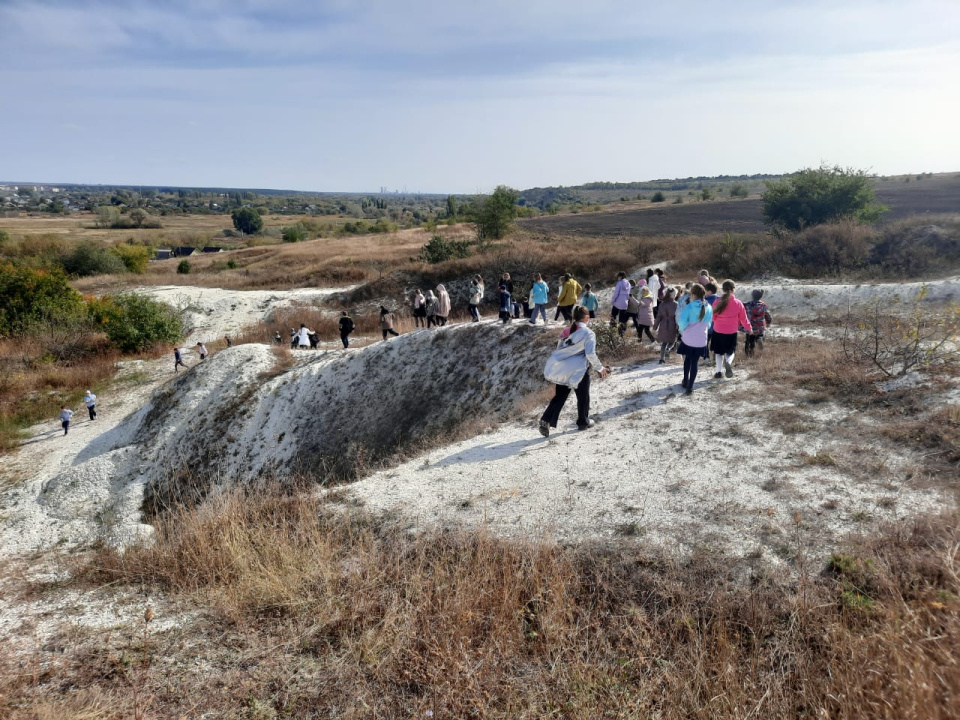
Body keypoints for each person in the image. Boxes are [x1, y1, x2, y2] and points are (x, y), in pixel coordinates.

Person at [539, 305, 609, 436]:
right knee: (583, 396)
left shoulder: (566, 331)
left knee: (560, 396)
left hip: (563, 369)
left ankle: (546, 419)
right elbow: (590, 354)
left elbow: (560, 350)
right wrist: (600, 368)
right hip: (579, 369)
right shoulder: (588, 333)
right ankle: (583, 421)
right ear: (587, 318)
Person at [710, 279, 751, 379]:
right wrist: (749, 328)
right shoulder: (738, 303)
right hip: (731, 331)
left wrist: (716, 322)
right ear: (734, 290)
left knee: (718, 352)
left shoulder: (717, 301)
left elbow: (712, 316)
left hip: (718, 330)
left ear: (723, 290)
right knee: (730, 351)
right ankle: (728, 362)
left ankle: (718, 372)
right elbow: (743, 318)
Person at [677, 284, 713, 395]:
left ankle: (685, 381)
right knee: (695, 362)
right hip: (701, 340)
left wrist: (682, 330)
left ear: (693, 294)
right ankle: (690, 387)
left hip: (688, 338)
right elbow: (709, 325)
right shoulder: (709, 307)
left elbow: (682, 322)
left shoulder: (689, 307)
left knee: (687, 359)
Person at [653, 287, 679, 363]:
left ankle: (662, 358)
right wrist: (678, 324)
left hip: (663, 323)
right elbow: (677, 316)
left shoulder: (662, 304)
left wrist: (655, 326)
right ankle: (669, 348)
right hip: (672, 323)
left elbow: (658, 316)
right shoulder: (676, 304)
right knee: (673, 340)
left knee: (664, 342)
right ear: (673, 294)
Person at [744, 289, 773, 356]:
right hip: (760, 326)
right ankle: (759, 339)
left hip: (750, 326)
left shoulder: (748, 304)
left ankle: (749, 354)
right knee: (760, 335)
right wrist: (768, 322)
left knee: (749, 340)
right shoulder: (763, 306)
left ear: (752, 296)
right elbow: (767, 315)